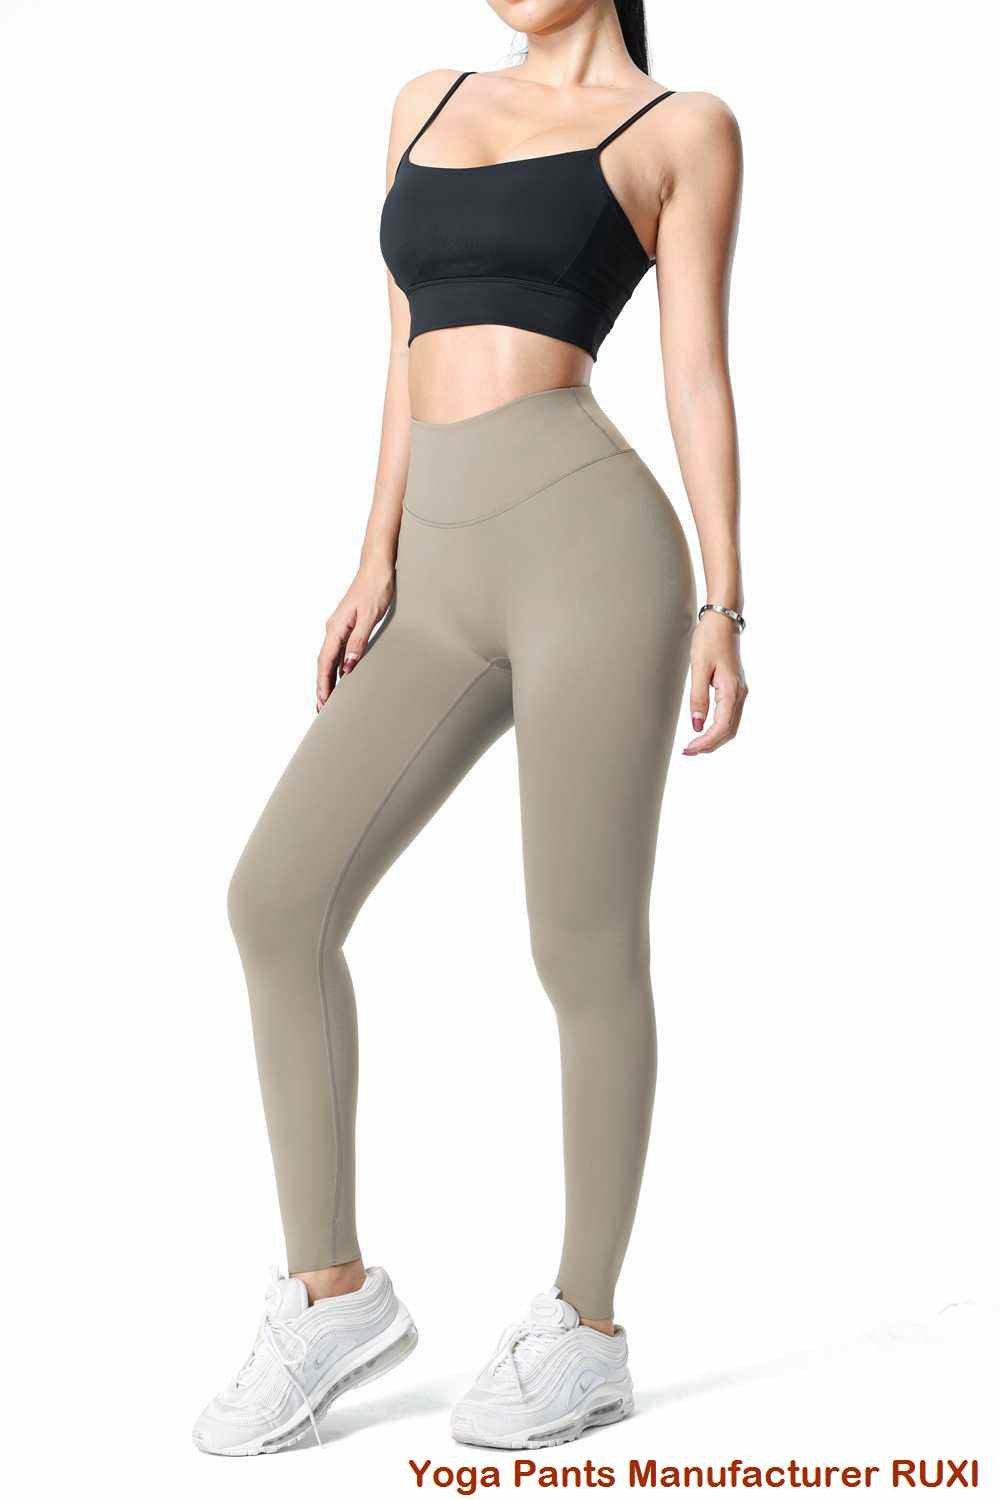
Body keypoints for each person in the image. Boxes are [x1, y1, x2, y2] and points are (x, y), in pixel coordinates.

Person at [193, 0, 747, 1456]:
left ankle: (586, 1327)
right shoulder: (425, 103)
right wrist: (373, 555)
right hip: (434, 573)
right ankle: (332, 1294)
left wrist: (725, 602)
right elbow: (403, 346)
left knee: (580, 946)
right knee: (278, 899)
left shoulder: (681, 130)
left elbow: (695, 369)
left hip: (591, 557)